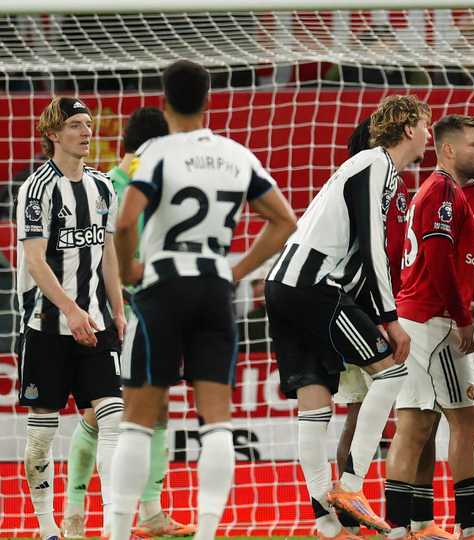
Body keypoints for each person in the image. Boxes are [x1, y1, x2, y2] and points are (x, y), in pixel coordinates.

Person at [109, 59, 298, 540]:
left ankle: (117, 531)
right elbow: (284, 221)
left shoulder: (155, 152)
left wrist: (130, 268)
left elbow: (126, 221)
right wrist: (235, 271)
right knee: (217, 420)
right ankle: (208, 531)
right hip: (215, 287)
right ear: (209, 100)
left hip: (164, 284)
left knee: (137, 420)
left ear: (164, 102)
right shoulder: (237, 154)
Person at [264, 94, 426, 536]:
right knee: (392, 372)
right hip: (314, 286)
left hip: (284, 285)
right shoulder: (375, 164)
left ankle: (327, 523)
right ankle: (352, 485)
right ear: (408, 128)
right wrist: (389, 318)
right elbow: (372, 246)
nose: (427, 135)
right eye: (425, 126)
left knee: (314, 406)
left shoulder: (366, 169)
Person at [61, 106, 195, 539]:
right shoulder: (106, 187)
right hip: (113, 314)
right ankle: (75, 511)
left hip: (153, 313)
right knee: (101, 412)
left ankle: (152, 511)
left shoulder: (151, 186)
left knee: (156, 406)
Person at [16, 96, 127, 540]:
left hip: (95, 324)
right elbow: (35, 260)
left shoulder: (103, 186)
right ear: (52, 134)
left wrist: (117, 308)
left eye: (88, 123)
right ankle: (48, 528)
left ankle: (114, 525)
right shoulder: (37, 189)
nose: (86, 132)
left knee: (113, 417)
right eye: (76, 124)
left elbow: (108, 252)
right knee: (41, 436)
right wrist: (70, 309)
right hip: (46, 325)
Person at [384, 114, 474, 540]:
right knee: (438, 423)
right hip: (430, 321)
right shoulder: (444, 190)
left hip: (421, 317)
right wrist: (463, 317)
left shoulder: (434, 189)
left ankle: (414, 524)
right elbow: (439, 258)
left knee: (431, 421)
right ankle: (462, 523)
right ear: (448, 149)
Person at [331, 115, 422, 535]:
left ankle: (396, 516)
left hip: (388, 306)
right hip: (358, 308)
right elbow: (368, 251)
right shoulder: (360, 180)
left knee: (398, 411)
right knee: (357, 407)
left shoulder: (395, 185)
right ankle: (345, 514)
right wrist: (385, 314)